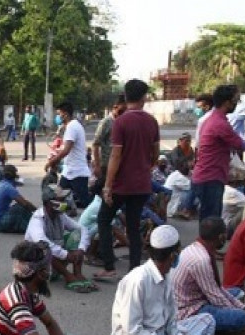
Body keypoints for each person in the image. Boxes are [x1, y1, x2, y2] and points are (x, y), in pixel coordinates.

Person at [110, 225, 216, 335]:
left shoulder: (167, 275)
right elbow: (132, 330)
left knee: (208, 320)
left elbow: (171, 321)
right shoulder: (137, 280)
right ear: (172, 256)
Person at [96, 79, 161, 282]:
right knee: (133, 227)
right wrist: (144, 167)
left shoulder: (121, 122)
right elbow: (155, 155)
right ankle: (134, 270)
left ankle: (109, 266)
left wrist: (108, 185)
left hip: (121, 185)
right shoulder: (152, 122)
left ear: (126, 96)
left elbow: (115, 156)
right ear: (144, 98)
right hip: (142, 184)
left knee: (103, 219)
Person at [193, 85, 245, 220]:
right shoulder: (219, 123)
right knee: (211, 219)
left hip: (207, 175)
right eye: (235, 100)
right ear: (227, 102)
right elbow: (242, 145)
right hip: (211, 177)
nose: (236, 103)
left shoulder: (212, 119)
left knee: (207, 217)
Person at [173, 217, 245, 335]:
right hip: (188, 310)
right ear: (221, 237)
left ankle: (227, 322)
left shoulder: (197, 248)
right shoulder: (201, 260)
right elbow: (215, 296)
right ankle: (215, 326)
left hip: (198, 297)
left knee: (237, 293)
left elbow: (217, 288)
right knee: (242, 318)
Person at [25, 185, 96, 292]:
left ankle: (77, 274)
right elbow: (43, 243)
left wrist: (81, 249)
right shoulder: (37, 220)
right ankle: (68, 276)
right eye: (61, 200)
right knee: (43, 247)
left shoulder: (60, 215)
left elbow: (82, 229)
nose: (64, 203)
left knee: (77, 234)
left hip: (54, 261)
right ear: (49, 203)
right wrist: (66, 254)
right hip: (36, 266)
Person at [44, 102, 91, 210]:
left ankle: (104, 215)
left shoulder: (72, 127)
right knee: (58, 197)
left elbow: (66, 150)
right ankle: (62, 215)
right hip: (69, 171)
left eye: (59, 114)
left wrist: (51, 162)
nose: (58, 117)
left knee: (85, 202)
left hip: (77, 171)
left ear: (65, 114)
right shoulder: (72, 126)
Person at [0, 164, 35, 234]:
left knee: (17, 208)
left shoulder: (2, 183)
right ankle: (33, 225)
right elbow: (24, 203)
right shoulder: (8, 187)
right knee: (19, 208)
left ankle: (31, 224)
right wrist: (37, 211)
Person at [92, 94, 127, 180]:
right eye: (122, 110)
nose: (124, 113)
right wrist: (97, 165)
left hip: (120, 166)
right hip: (106, 166)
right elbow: (95, 144)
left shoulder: (123, 122)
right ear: (115, 107)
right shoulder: (106, 122)